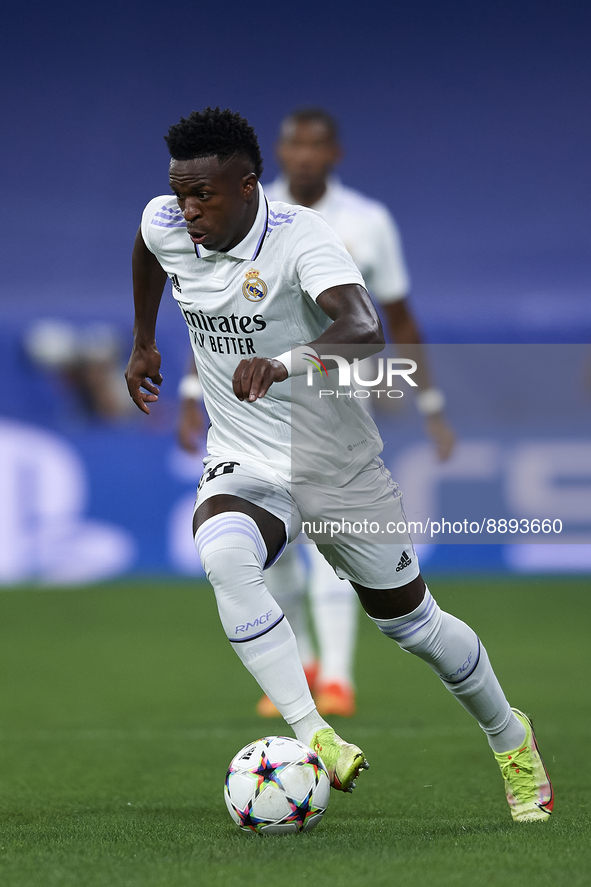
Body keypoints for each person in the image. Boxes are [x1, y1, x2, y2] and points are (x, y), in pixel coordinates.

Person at [125, 106, 553, 821]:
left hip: (334, 459)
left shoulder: (302, 239)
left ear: (249, 185)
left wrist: (285, 363)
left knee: (412, 625)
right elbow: (146, 248)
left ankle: (510, 737)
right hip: (244, 456)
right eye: (180, 193)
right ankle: (313, 731)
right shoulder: (166, 222)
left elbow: (365, 327)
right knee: (225, 556)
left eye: (204, 195)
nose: (188, 210)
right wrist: (143, 340)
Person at [177, 107, 456, 719]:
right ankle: (300, 663)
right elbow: (221, 317)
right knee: (262, 552)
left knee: (333, 547)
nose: (302, 156)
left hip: (331, 397)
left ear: (335, 154)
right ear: (275, 156)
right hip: (253, 412)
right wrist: (192, 394)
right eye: (292, 145)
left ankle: (336, 675)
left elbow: (395, 319)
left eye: (315, 146)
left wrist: (429, 403)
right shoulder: (232, 206)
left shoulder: (366, 222)